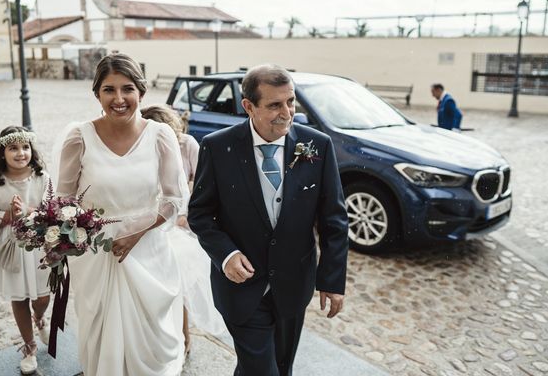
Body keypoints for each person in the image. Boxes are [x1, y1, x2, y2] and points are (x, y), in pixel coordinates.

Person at [188, 64, 349, 376]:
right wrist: (227, 254)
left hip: (293, 285)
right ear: (249, 106)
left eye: (290, 102)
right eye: (274, 105)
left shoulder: (318, 146)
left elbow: (334, 219)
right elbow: (200, 213)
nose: (286, 113)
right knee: (263, 370)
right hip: (241, 288)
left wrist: (331, 280)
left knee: (280, 366)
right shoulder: (218, 147)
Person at [56, 53, 189, 376]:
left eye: (127, 89)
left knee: (150, 337)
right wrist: (69, 231)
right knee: (102, 331)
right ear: (97, 94)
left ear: (141, 93)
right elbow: (63, 198)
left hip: (148, 249)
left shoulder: (160, 135)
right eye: (108, 90)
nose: (119, 99)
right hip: (97, 254)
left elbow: (174, 198)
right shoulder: (79, 137)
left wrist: (136, 232)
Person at [141, 104, 225, 355]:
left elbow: (202, 185)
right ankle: (155, 336)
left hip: (183, 220)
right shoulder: (141, 148)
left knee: (178, 283)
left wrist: (185, 217)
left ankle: (183, 335)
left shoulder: (187, 145)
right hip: (151, 220)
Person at [0, 126, 51, 375]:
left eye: (25, 147)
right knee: (20, 297)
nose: (21, 153)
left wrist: (29, 211)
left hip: (39, 243)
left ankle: (40, 317)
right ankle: (29, 347)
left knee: (42, 296)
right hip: (12, 246)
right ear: (2, 153)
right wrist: (8, 215)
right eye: (13, 148)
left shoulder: (42, 178)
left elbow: (53, 212)